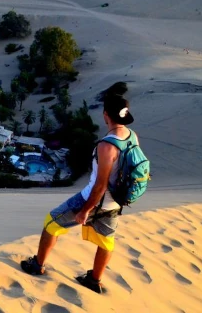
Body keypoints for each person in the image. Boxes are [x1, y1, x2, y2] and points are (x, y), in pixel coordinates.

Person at [20, 82, 137, 293]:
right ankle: (94, 280)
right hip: (115, 203)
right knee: (106, 242)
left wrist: (85, 210)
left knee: (51, 222)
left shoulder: (106, 146)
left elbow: (100, 185)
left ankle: (38, 265)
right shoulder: (131, 136)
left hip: (92, 200)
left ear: (105, 115)